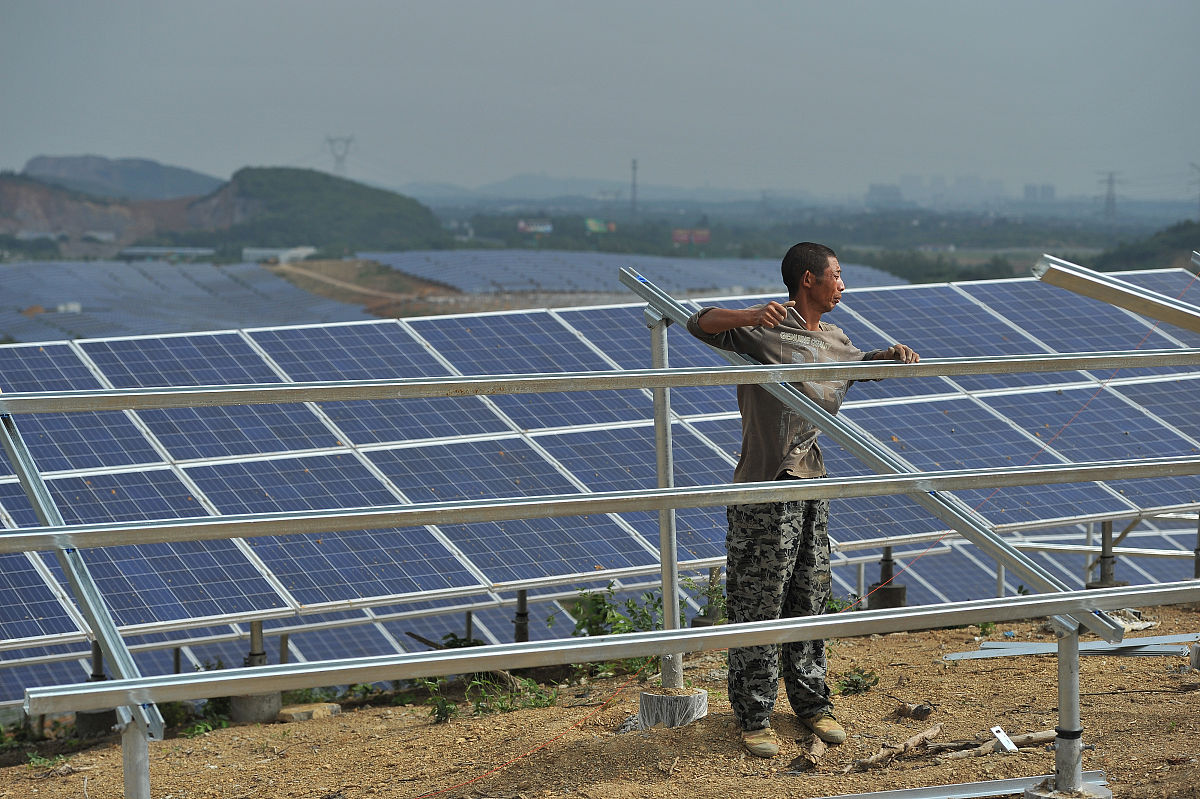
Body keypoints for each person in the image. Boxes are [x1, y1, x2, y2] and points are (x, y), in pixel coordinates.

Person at [685, 242, 919, 758]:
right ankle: (754, 716)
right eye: (836, 276)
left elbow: (859, 363)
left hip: (813, 485)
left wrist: (892, 354)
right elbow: (697, 323)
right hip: (765, 486)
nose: (843, 285)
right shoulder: (762, 330)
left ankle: (812, 705)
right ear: (808, 279)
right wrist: (750, 311)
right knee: (759, 602)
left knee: (809, 596)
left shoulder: (834, 339)